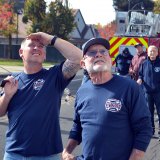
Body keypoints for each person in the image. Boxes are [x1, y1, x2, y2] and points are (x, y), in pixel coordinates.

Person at [62, 38, 152, 160]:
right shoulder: (82, 91)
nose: (98, 54)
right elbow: (77, 126)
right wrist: (67, 151)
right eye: (92, 52)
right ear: (83, 64)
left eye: (103, 51)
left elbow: (144, 129)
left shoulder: (130, 87)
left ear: (110, 60)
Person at [0, 32, 83, 160]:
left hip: (48, 155)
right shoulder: (12, 80)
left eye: (40, 46)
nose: (36, 48)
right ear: (21, 52)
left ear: (44, 55)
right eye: (31, 45)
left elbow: (78, 58)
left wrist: (50, 38)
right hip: (13, 154)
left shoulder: (54, 76)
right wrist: (7, 95)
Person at [137, 45, 160, 136]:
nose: (152, 53)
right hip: (147, 93)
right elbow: (141, 75)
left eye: (154, 51)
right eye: (150, 51)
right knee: (149, 112)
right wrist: (139, 81)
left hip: (158, 92)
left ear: (158, 53)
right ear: (148, 52)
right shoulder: (144, 63)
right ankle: (151, 130)